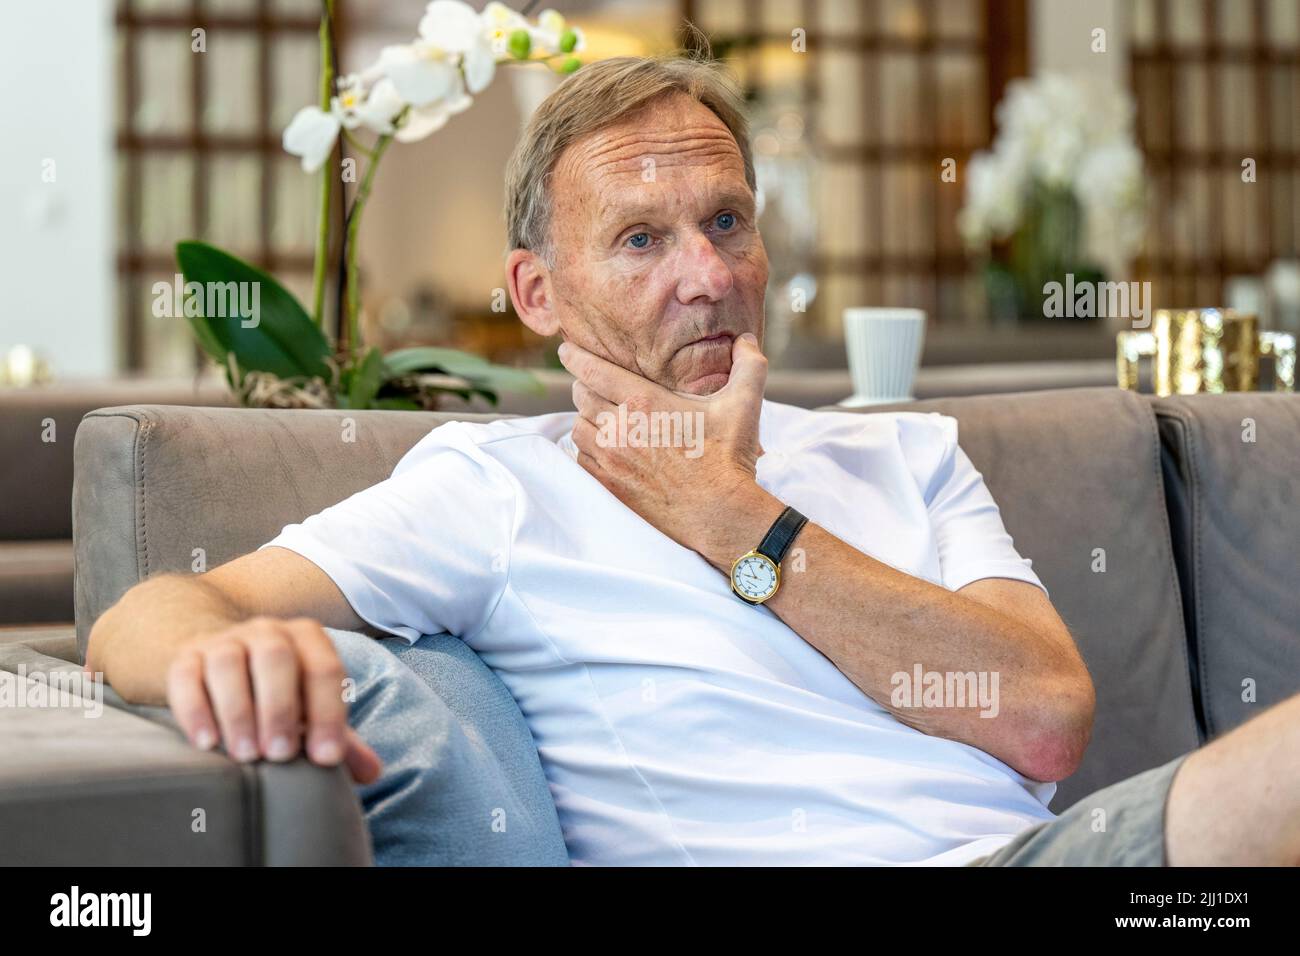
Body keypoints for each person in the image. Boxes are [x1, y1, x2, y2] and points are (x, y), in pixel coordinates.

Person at [86, 54, 1300, 866]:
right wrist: (221, 649)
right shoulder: (500, 487)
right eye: (639, 239)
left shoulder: (903, 451)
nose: (707, 275)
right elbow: (144, 619)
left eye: (725, 221)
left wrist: (738, 520)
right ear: (539, 293)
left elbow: (1042, 719)